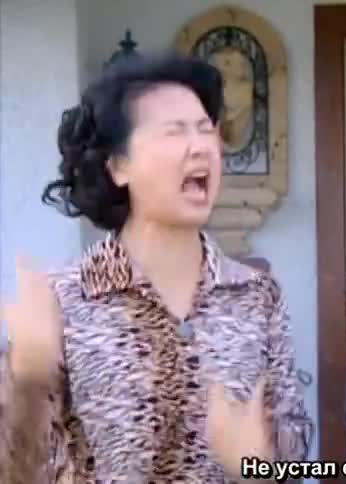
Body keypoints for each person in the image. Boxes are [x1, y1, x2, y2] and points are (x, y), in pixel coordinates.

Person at [0, 51, 312, 483]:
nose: (201, 146)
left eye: (206, 129)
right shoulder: (65, 299)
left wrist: (255, 465)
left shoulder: (256, 295)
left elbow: (294, 459)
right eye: (175, 131)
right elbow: (16, 472)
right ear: (118, 166)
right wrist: (28, 381)